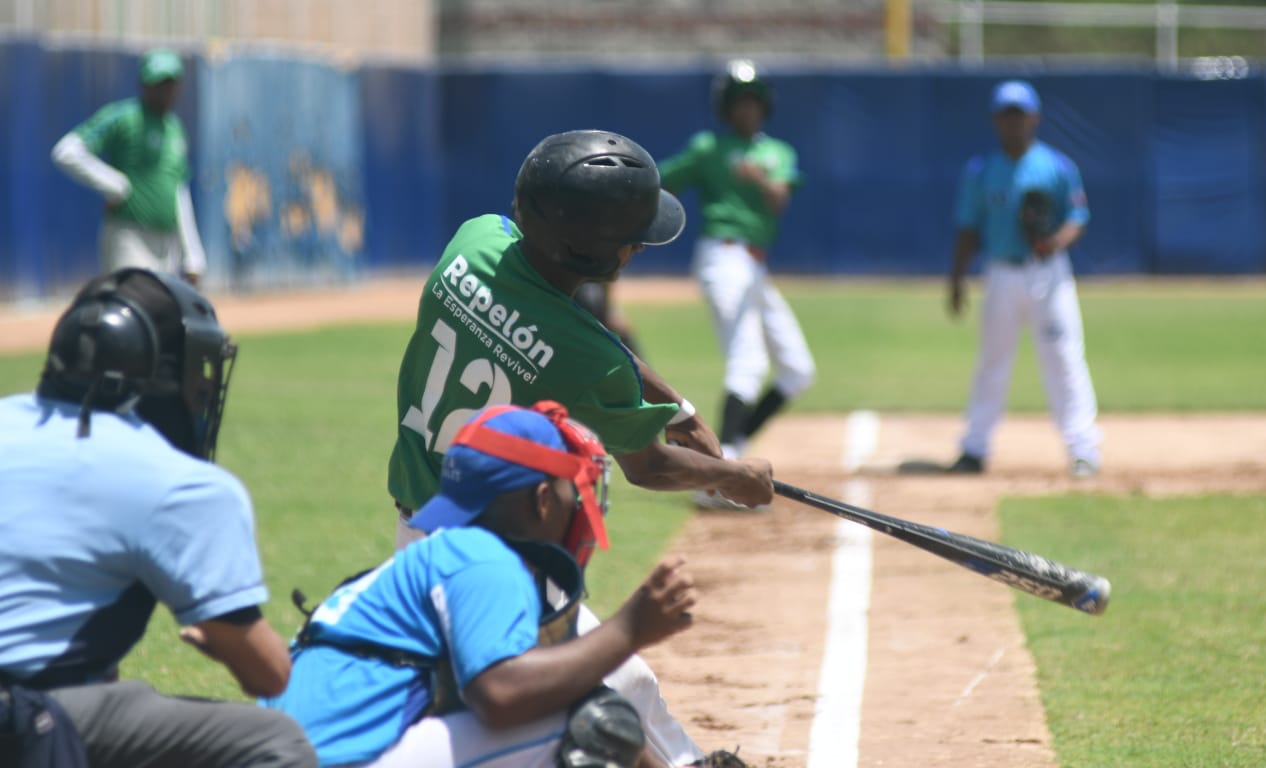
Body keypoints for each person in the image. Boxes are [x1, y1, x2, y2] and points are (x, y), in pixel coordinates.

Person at [386, 129, 769, 766]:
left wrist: (679, 408)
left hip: (421, 524)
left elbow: (565, 327)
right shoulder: (587, 360)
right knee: (592, 709)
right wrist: (732, 477)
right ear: (604, 256)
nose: (635, 248)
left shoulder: (472, 240)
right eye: (631, 240)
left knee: (627, 688)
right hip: (489, 564)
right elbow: (650, 465)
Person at [267, 400, 716, 768]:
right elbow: (502, 695)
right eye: (568, 490)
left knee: (565, 696)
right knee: (593, 721)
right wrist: (629, 628)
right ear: (542, 500)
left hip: (292, 751)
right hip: (334, 757)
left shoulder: (444, 550)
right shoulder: (485, 558)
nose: (577, 504)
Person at [0, 268, 314, 767]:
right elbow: (268, 675)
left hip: (39, 706)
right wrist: (225, 639)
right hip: (21, 722)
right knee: (277, 743)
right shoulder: (177, 482)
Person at [658, 60, 816, 507]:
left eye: (752, 101)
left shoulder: (776, 152)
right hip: (722, 258)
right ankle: (717, 481)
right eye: (738, 102)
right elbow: (661, 179)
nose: (746, 109)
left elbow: (780, 197)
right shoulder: (709, 147)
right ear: (726, 107)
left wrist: (760, 177)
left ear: (763, 106)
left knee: (796, 369)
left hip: (755, 266)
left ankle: (730, 457)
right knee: (747, 363)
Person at [944, 79, 1103, 479]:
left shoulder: (1057, 166)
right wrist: (957, 279)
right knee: (992, 362)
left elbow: (1077, 218)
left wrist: (1054, 241)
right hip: (1000, 273)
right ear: (995, 120)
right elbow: (968, 228)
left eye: (1020, 114)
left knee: (1064, 359)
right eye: (1006, 115)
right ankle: (975, 448)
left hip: (1048, 276)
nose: (1013, 122)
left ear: (1034, 118)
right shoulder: (981, 171)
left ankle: (1083, 449)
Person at [51, 49, 207, 285]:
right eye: (158, 83)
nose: (165, 91)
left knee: (161, 316)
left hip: (167, 244)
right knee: (132, 305)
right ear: (144, 84)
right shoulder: (124, 116)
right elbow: (67, 151)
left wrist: (192, 254)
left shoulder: (175, 127)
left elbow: (178, 189)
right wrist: (114, 184)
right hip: (129, 236)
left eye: (170, 84)